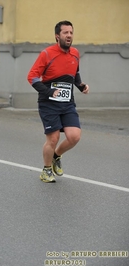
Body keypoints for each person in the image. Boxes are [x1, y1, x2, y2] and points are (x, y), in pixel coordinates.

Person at [27, 20, 90, 183]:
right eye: (65, 33)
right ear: (57, 36)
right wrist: (49, 92)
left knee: (74, 136)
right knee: (53, 138)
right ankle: (46, 170)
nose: (69, 35)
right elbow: (32, 77)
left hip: (67, 103)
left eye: (71, 32)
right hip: (48, 103)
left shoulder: (75, 53)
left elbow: (74, 74)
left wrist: (81, 85)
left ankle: (56, 156)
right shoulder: (47, 54)